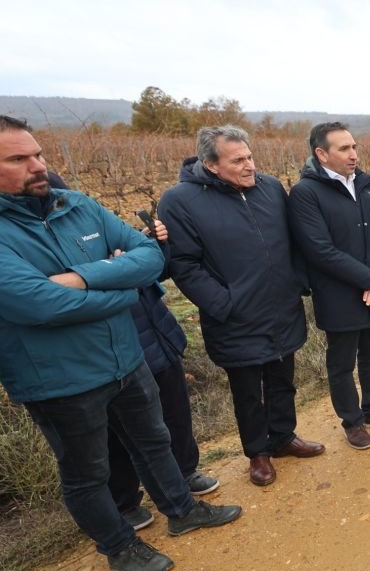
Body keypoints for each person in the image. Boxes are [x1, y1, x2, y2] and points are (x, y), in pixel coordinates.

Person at [0, 115, 240, 571]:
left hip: (125, 358)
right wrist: (121, 290)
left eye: (38, 154)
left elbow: (149, 256)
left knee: (155, 441)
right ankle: (120, 547)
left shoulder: (77, 206)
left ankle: (182, 511)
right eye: (18, 159)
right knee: (87, 473)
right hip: (59, 379)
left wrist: (80, 279)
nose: (37, 165)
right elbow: (38, 304)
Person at [44, 173, 220, 531]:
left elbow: (150, 266)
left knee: (170, 416)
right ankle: (125, 502)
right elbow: (58, 295)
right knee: (113, 435)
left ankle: (184, 475)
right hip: (107, 349)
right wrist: (117, 271)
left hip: (155, 335)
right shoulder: (34, 244)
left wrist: (151, 246)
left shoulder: (92, 220)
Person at [158, 126, 325, 488]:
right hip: (235, 317)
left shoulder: (270, 188)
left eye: (250, 157)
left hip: (281, 306)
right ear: (211, 165)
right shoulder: (180, 201)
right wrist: (224, 303)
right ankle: (258, 452)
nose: (250, 165)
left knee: (283, 380)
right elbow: (184, 264)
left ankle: (283, 437)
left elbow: (293, 240)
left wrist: (297, 282)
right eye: (238, 161)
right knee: (247, 392)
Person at [288, 122, 370, 451]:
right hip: (339, 296)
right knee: (342, 364)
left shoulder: (366, 184)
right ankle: (352, 421)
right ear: (321, 153)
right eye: (344, 148)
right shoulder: (306, 194)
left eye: (354, 147)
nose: (353, 154)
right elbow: (320, 250)